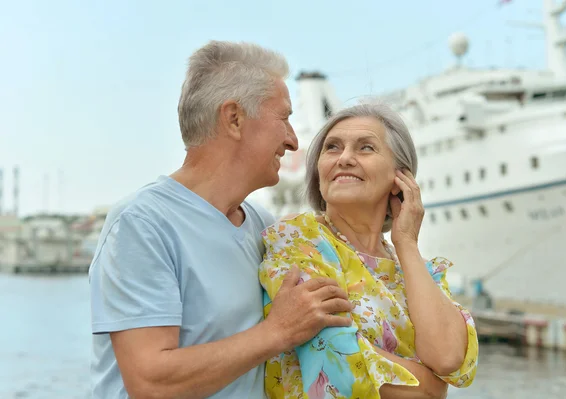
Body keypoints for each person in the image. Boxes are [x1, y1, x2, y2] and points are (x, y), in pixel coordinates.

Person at [88, 40, 355, 399]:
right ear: (234, 118)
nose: (293, 141)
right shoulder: (141, 224)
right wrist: (277, 332)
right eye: (284, 118)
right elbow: (150, 382)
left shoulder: (263, 224)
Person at [259, 103, 479, 399]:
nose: (345, 158)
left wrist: (407, 245)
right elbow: (340, 364)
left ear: (400, 179)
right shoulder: (299, 240)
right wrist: (432, 388)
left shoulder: (414, 269)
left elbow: (449, 359)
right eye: (332, 148)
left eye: (365, 148)